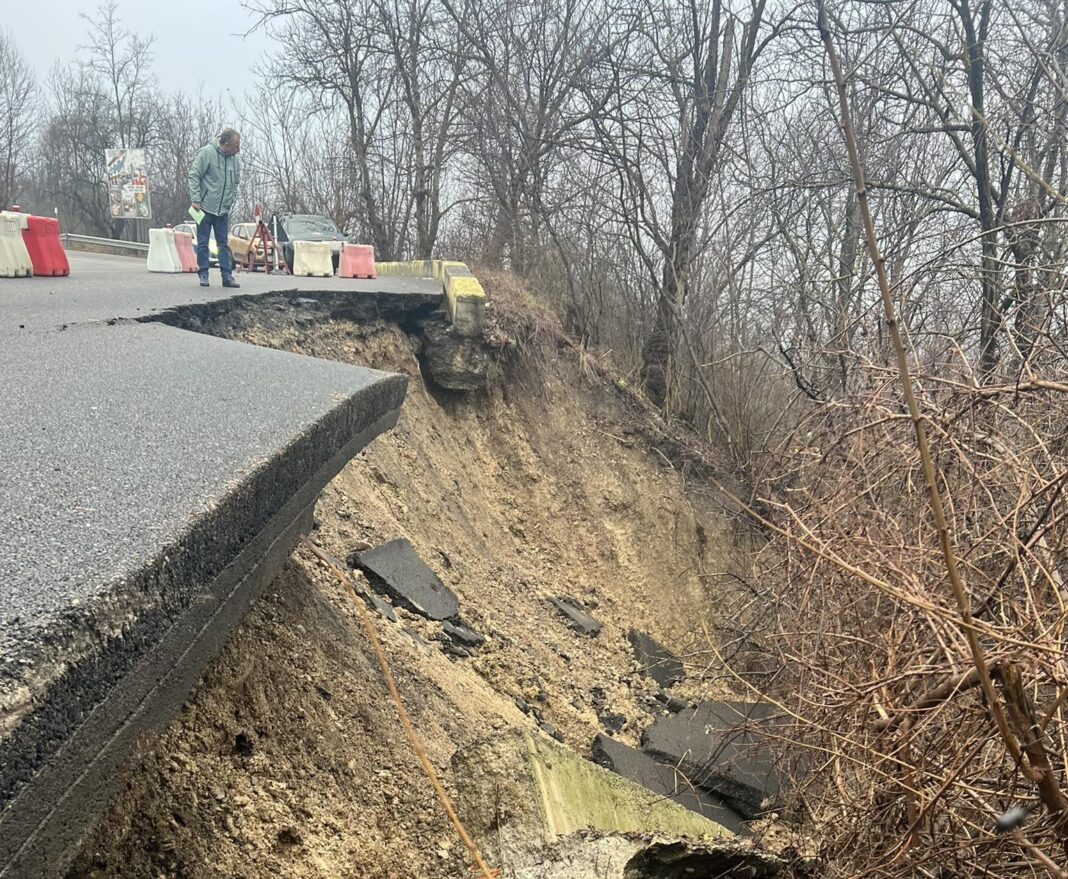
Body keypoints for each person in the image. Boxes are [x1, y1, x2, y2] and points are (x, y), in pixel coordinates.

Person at [188, 128, 242, 288]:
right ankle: (203, 274)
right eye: (235, 146)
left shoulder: (235, 160)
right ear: (225, 144)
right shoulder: (207, 153)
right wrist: (196, 199)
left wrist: (230, 201)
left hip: (223, 209)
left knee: (223, 244)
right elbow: (194, 175)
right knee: (203, 243)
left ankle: (227, 276)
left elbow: (236, 183)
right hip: (204, 206)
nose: (237, 150)